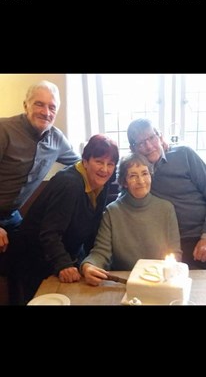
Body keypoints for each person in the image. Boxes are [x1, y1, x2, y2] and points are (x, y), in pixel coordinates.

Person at [10, 134, 119, 303]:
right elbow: (49, 233)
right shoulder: (70, 185)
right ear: (85, 161)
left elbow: (93, 227)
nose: (105, 169)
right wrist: (63, 264)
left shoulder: (101, 183)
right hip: (35, 258)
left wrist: (92, 261)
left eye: (110, 164)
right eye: (99, 161)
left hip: (64, 252)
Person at [0, 80, 79, 258]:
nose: (46, 112)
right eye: (39, 104)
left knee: (31, 256)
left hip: (12, 215)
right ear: (25, 105)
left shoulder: (57, 139)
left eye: (52, 107)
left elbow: (82, 164)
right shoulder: (3, 130)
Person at [81, 153, 182, 286]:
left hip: (160, 281)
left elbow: (175, 252)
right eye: (133, 176)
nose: (141, 181)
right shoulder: (112, 212)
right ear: (124, 182)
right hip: (124, 282)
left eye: (145, 173)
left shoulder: (166, 209)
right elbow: (101, 252)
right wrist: (88, 266)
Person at [127, 118, 206, 269]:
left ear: (160, 136)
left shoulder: (184, 155)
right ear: (133, 148)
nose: (149, 146)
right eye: (141, 143)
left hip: (199, 235)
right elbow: (123, 197)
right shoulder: (138, 172)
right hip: (167, 245)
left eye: (151, 138)